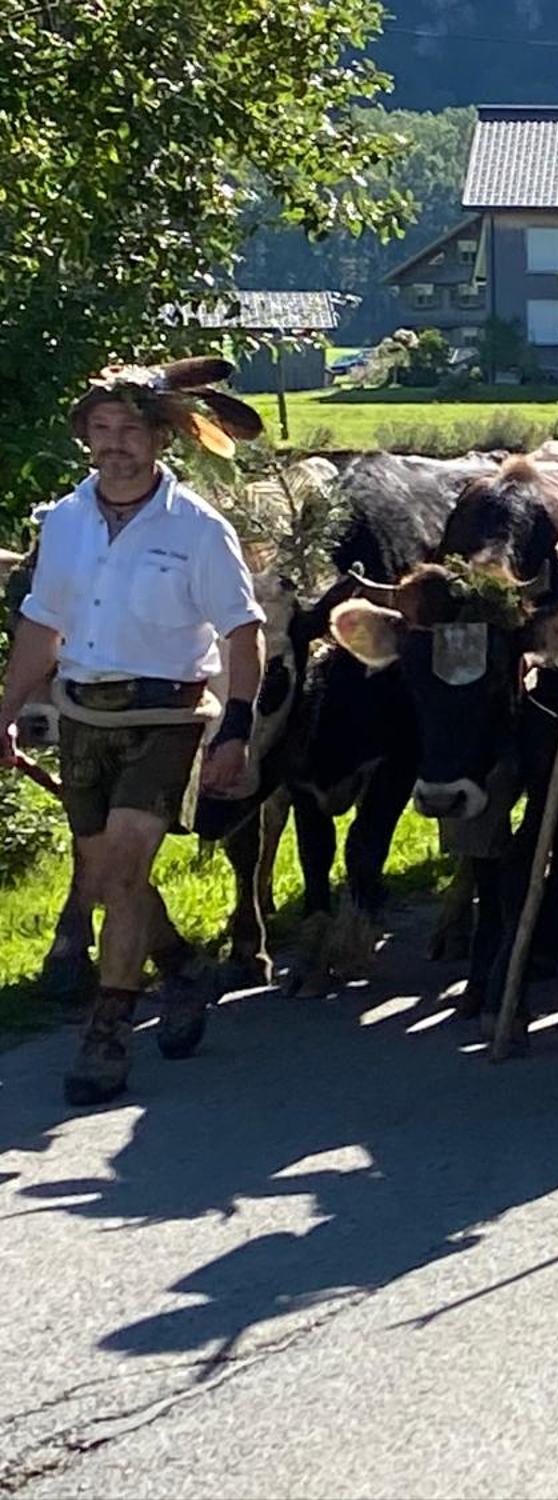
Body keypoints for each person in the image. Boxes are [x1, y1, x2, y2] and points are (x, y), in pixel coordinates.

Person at [0, 358, 266, 1105]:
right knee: (110, 875)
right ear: (86, 435)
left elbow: (243, 636)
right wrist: (5, 712)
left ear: (160, 439)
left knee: (118, 873)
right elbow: (40, 624)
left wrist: (235, 730)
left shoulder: (197, 529)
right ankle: (180, 971)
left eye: (129, 430)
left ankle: (107, 1031)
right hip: (84, 715)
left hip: (167, 715)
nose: (114, 443)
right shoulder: (65, 520)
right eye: (102, 428)